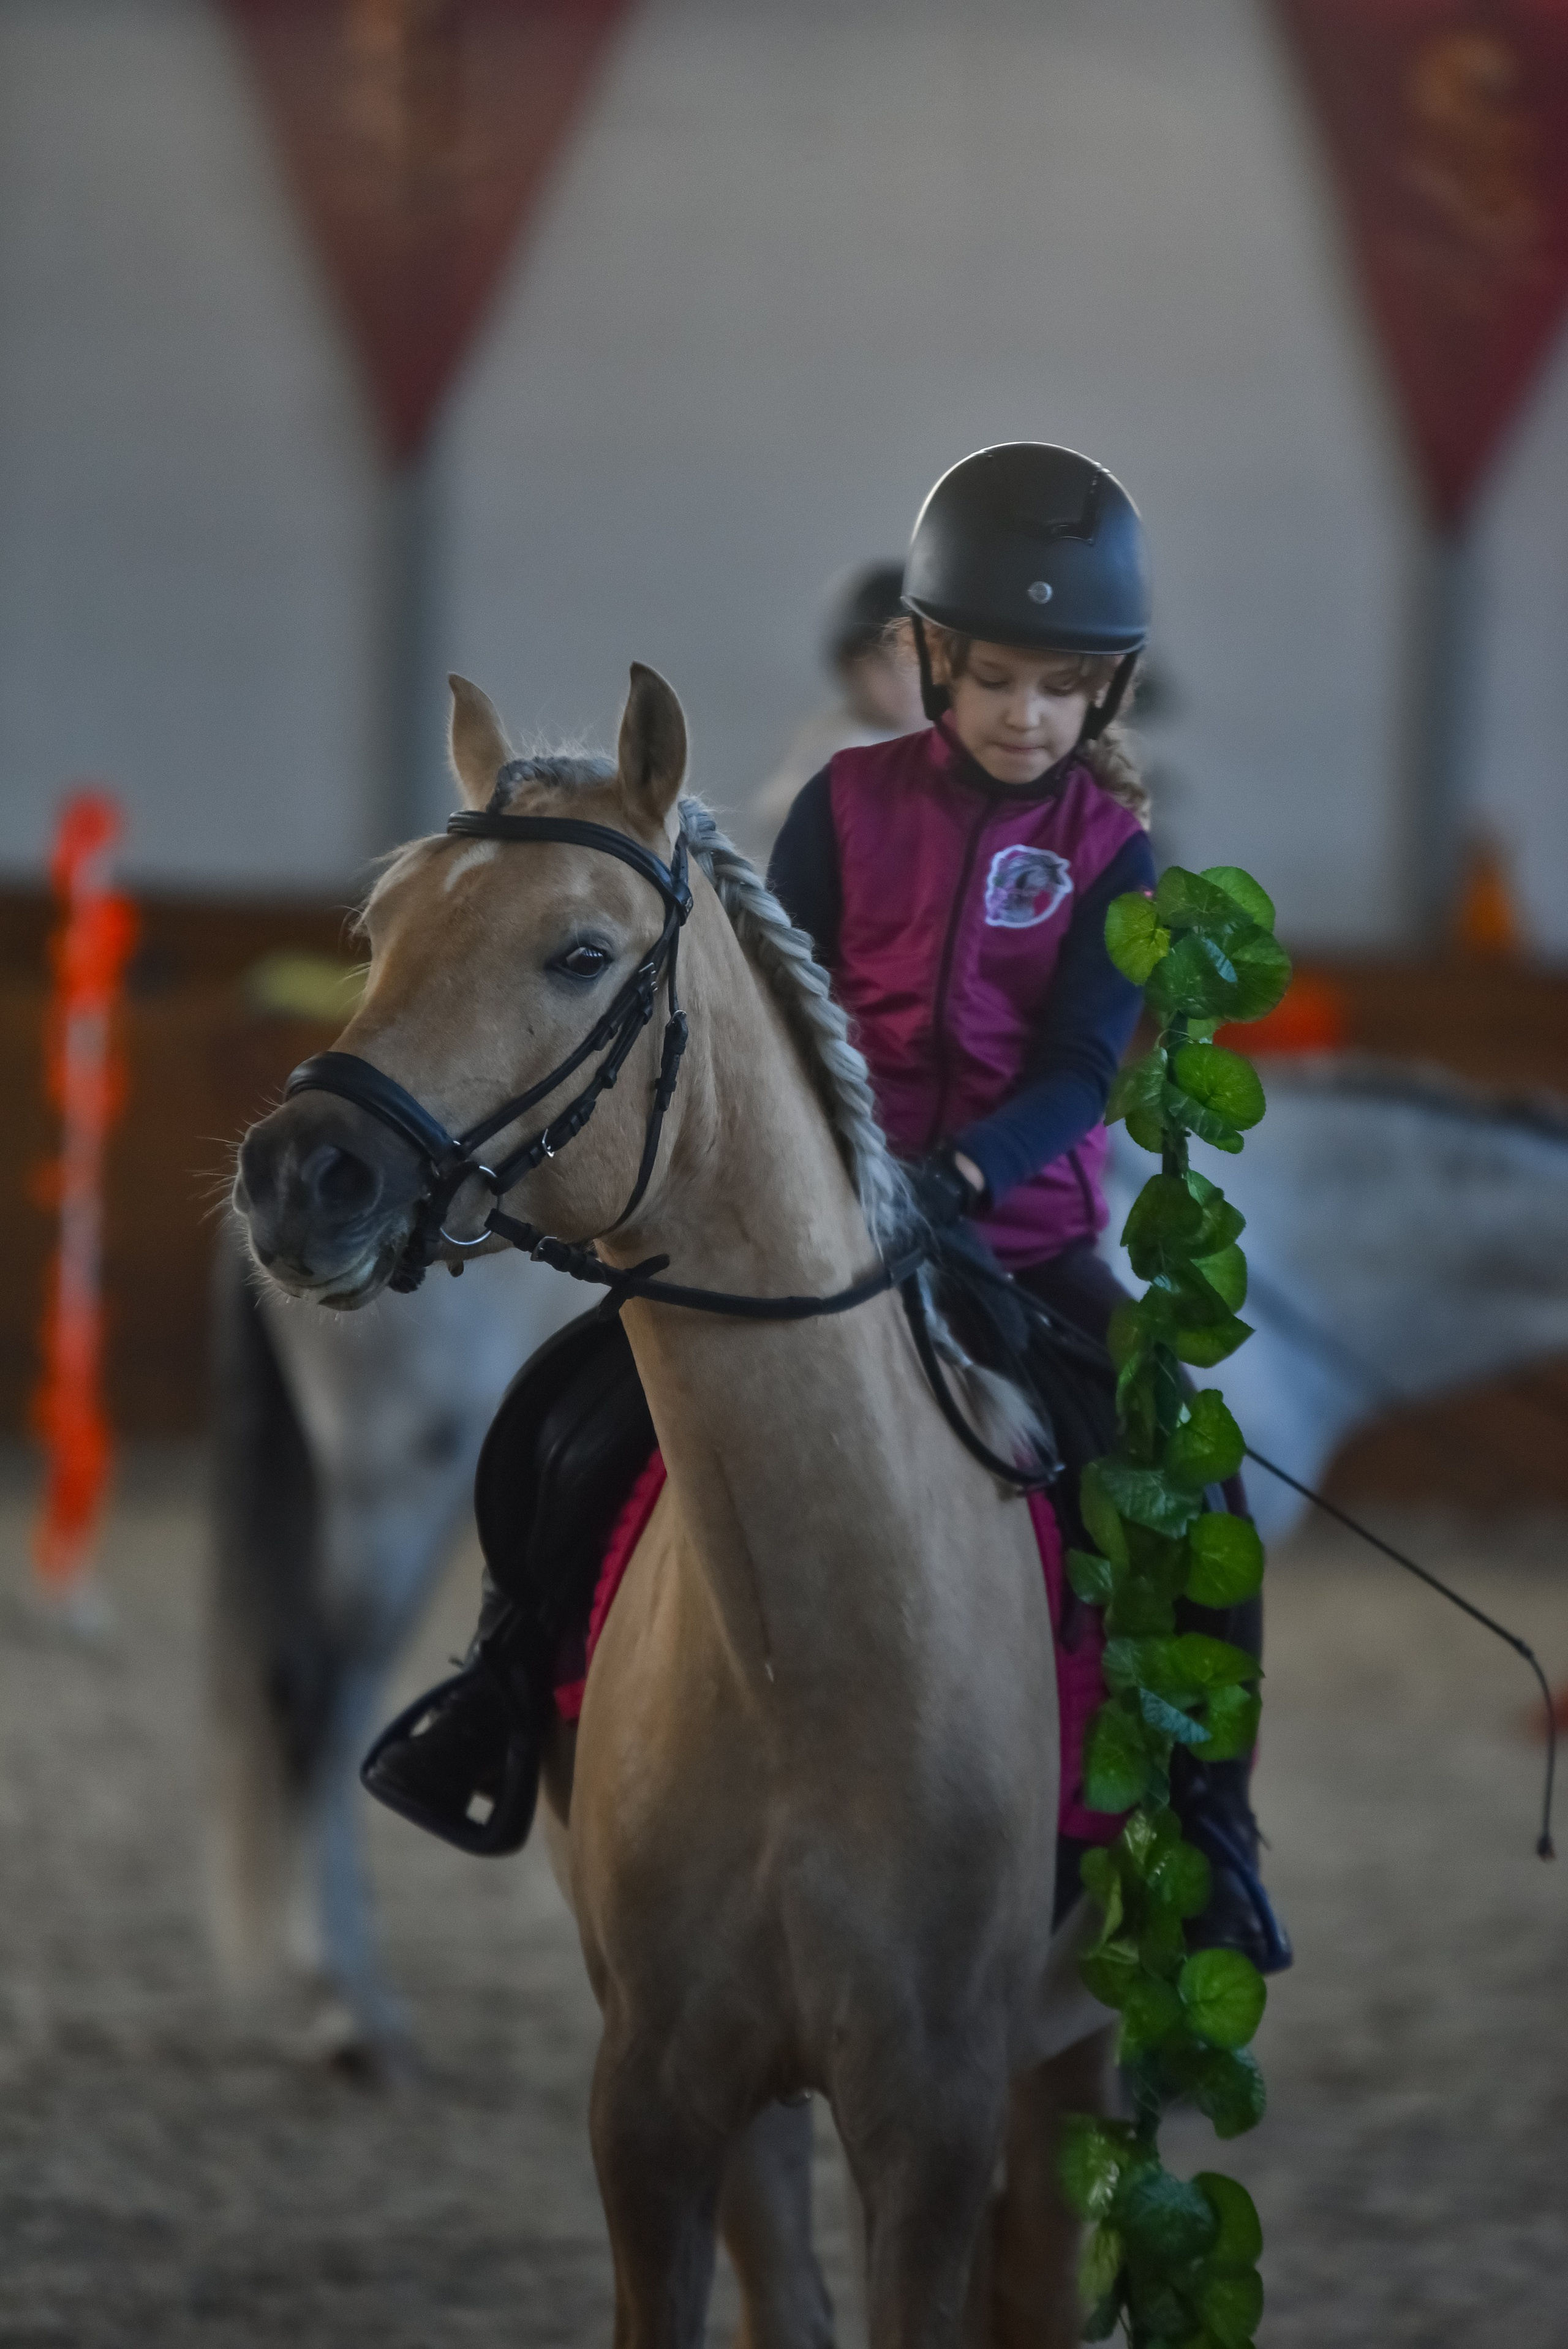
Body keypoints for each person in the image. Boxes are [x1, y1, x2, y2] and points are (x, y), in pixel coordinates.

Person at [363, 442, 1287, 1974]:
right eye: (994, 678)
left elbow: (1075, 1060)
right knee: (562, 1416)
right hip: (813, 1224)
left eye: (1059, 689)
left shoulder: (1114, 851)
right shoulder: (846, 803)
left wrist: (972, 1172)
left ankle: (1208, 1823)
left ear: (1102, 697)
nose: (1024, 715)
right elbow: (763, 1002)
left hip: (1015, 1232)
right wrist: (802, 1174)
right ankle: (504, 1685)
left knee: (1195, 1493)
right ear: (928, 659)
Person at [748, 562, 926, 848]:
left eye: (915, 663)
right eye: (883, 665)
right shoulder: (830, 742)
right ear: (849, 669)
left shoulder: (955, 735)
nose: (903, 681)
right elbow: (776, 810)